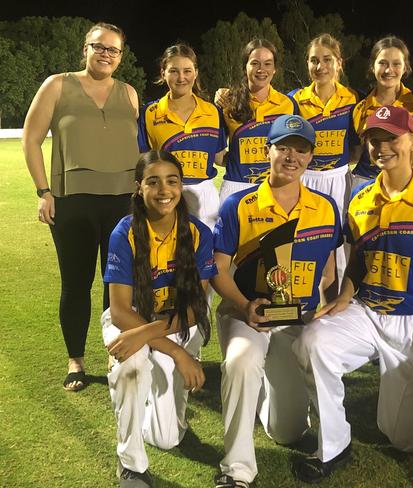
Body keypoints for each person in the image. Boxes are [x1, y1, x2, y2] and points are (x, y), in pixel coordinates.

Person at [292, 106, 413, 483]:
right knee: (313, 341)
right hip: (366, 311)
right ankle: (333, 447)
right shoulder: (359, 199)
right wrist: (343, 294)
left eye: (391, 137)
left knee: (405, 440)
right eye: (374, 139)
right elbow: (357, 260)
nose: (381, 146)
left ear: (412, 141)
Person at [211, 114, 341, 488]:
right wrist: (242, 306)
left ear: (310, 157)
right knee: (240, 360)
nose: (291, 156)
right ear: (267, 150)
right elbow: (218, 270)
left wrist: (324, 310)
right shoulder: (238, 204)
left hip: (294, 317)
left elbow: (329, 271)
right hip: (246, 312)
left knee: (286, 432)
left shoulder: (326, 207)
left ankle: (269, 392)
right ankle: (237, 471)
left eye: (300, 150)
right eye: (282, 147)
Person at [22, 22, 140, 392]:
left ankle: (113, 352)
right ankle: (76, 360)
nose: (106, 54)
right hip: (72, 201)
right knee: (76, 284)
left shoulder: (130, 94)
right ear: (85, 49)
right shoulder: (58, 85)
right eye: (99, 47)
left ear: (121, 56)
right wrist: (44, 190)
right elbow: (31, 139)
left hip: (123, 202)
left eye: (113, 50)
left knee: (117, 285)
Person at [102, 150, 215, 487]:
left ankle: (144, 399)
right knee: (132, 366)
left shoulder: (197, 234)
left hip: (174, 322)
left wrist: (152, 337)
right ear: (139, 188)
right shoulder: (125, 233)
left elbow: (196, 307)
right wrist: (177, 352)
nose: (164, 189)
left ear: (181, 186)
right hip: (129, 322)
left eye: (172, 180)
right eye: (153, 182)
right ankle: (131, 464)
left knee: (168, 438)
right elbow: (120, 311)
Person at [289, 33, 359, 286]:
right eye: (314, 60)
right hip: (305, 179)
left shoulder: (352, 98)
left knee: (340, 249)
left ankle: (337, 312)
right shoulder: (295, 99)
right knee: (303, 245)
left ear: (339, 62)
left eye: (327, 59)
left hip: (338, 179)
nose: (320, 67)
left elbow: (356, 146)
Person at [138, 43, 227, 230]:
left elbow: (219, 158)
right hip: (165, 194)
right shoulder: (149, 113)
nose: (181, 78)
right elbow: (142, 160)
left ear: (195, 73)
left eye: (187, 71)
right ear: (163, 73)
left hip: (205, 195)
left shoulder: (212, 111)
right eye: (174, 71)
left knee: (205, 255)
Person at [215, 38, 296, 203]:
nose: (261, 69)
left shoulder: (288, 104)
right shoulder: (228, 102)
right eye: (255, 63)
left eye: (267, 64)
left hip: (275, 187)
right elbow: (218, 156)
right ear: (245, 67)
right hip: (236, 188)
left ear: (275, 69)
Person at [350, 36, 413, 190]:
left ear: (405, 67)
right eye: (382, 63)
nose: (388, 70)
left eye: (396, 64)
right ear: (373, 67)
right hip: (366, 183)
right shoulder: (360, 107)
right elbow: (355, 155)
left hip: (407, 183)